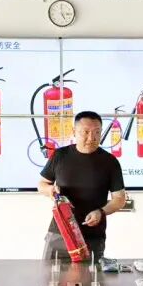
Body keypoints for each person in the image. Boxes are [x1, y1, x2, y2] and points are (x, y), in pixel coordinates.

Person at [38, 111, 127, 260]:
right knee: (51, 274)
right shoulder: (60, 155)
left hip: (92, 235)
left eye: (97, 132)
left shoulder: (110, 162)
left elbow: (119, 199)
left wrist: (101, 212)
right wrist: (50, 190)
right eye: (85, 132)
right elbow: (42, 184)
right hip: (60, 232)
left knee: (90, 275)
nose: (91, 138)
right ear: (74, 132)